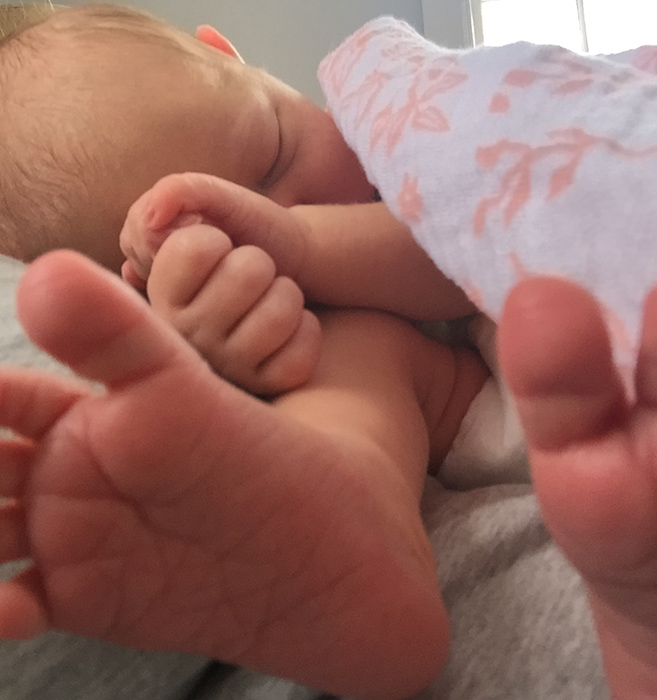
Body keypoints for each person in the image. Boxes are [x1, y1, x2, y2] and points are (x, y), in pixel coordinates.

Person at [0, 4, 648, 699]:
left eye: (274, 154)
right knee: (335, 363)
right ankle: (353, 544)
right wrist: (218, 346)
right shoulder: (353, 341)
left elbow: (458, 247)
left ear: (230, 56)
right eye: (224, 243)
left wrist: (300, 245)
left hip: (593, 296)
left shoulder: (412, 130)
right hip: (499, 408)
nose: (282, 211)